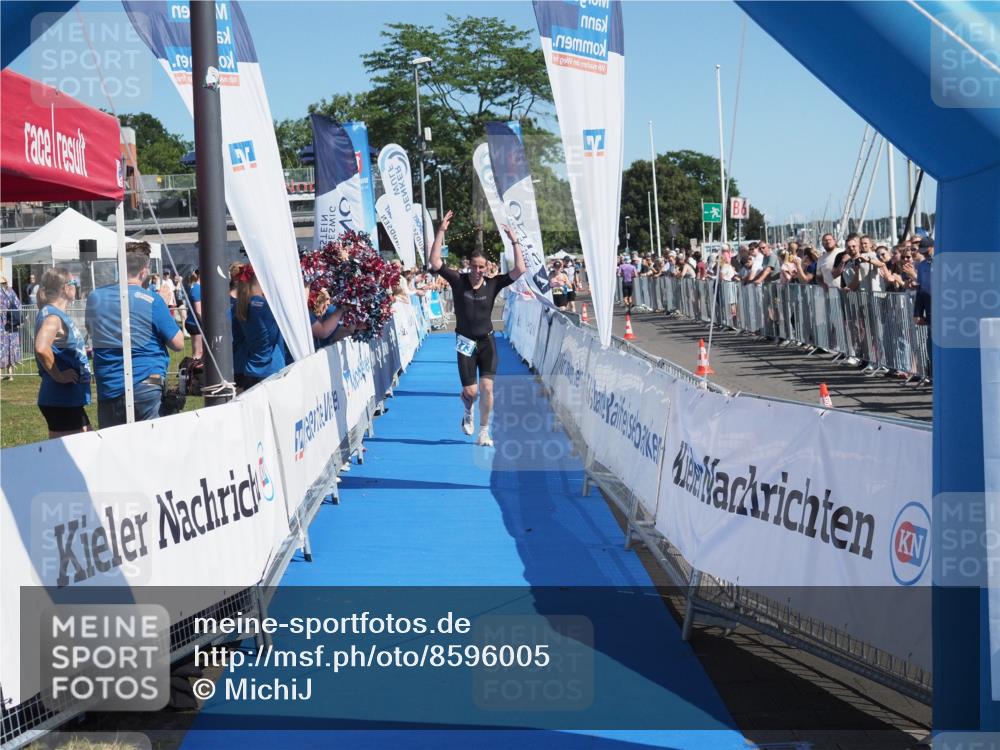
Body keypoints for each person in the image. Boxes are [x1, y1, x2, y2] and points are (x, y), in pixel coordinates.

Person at [429, 210, 525, 447]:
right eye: (474, 266)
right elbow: (435, 262)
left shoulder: (494, 283)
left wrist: (514, 241)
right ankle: (467, 411)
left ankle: (484, 431)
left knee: (487, 388)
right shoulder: (457, 280)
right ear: (469, 266)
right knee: (471, 392)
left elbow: (520, 270)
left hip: (487, 342)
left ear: (487, 267)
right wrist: (441, 231)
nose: (478, 270)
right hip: (464, 343)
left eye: (482, 267)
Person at [85, 245, 184, 428]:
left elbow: (91, 330)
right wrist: (163, 303)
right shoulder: (152, 300)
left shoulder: (95, 298)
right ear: (144, 271)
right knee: (149, 448)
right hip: (146, 384)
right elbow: (178, 342)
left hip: (109, 385)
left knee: (114, 450)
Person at [33, 268, 92, 438]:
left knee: (67, 453)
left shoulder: (52, 312)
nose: (77, 287)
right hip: (61, 398)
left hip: (64, 399)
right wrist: (59, 375)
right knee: (78, 453)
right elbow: (41, 348)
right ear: (66, 288)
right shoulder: (53, 317)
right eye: (75, 283)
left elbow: (57, 348)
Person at [233, 264, 287, 389]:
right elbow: (274, 336)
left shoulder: (242, 303)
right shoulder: (262, 306)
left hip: (252, 367)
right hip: (270, 369)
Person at [0, 277, 22, 380]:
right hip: (11, 324)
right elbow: (18, 305)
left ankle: (1, 374)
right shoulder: (11, 291)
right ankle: (10, 375)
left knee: (2, 347)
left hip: (2, 324)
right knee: (11, 347)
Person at [184, 270, 203, 358]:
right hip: (195, 324)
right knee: (198, 352)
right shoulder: (197, 288)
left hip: (196, 323)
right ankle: (193, 371)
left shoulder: (198, 287)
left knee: (200, 352)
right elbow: (198, 310)